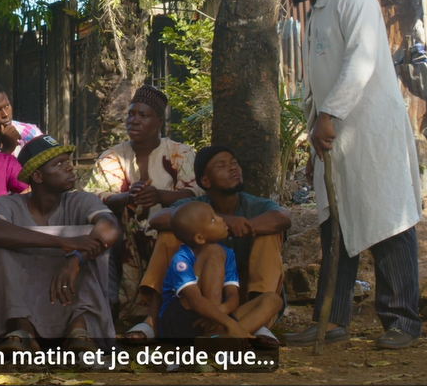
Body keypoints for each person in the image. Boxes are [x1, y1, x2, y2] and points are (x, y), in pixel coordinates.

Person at [264, 0, 422, 349]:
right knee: (335, 227)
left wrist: (330, 116)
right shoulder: (312, 16)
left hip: (369, 133)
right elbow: (315, 86)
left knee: (387, 222)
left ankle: (402, 320)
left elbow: (363, 58)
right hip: (333, 140)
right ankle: (331, 321)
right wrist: (316, 132)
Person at [131, 146, 290, 345]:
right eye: (222, 166)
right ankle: (152, 320)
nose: (233, 168)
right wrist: (226, 221)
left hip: (239, 297)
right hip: (192, 300)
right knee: (171, 231)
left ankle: (255, 326)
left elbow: (282, 218)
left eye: (234, 163)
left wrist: (245, 227)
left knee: (269, 235)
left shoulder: (257, 205)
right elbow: (159, 218)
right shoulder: (196, 207)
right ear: (205, 181)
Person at [0, 135, 121, 352]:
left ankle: (79, 330)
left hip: (68, 295)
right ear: (37, 176)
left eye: (68, 161)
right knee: (1, 245)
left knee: (92, 243)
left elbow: (110, 227)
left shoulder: (81, 200)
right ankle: (22, 330)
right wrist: (63, 242)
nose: (70, 168)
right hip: (25, 299)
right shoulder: (8, 204)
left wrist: (75, 257)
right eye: (59, 164)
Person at [85, 84, 201, 321]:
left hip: (171, 234)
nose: (133, 121)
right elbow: (92, 196)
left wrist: (161, 197)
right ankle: (117, 309)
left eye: (143, 115)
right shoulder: (111, 156)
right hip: (124, 237)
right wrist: (127, 197)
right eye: (130, 114)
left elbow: (196, 193)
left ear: (159, 122)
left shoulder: (181, 153)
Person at [157, 202, 282, 341]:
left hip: (217, 316)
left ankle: (223, 338)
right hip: (182, 320)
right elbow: (194, 300)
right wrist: (228, 322)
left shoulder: (227, 254)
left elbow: (233, 296)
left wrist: (220, 313)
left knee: (273, 300)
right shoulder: (181, 259)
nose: (221, 219)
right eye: (212, 219)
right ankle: (223, 335)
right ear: (199, 238)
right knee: (214, 251)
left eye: (216, 214)